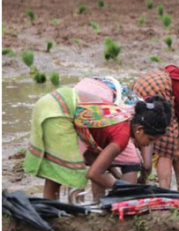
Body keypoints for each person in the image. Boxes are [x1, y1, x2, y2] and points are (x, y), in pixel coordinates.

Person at [23, 86, 171, 201]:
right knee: (65, 171)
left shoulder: (121, 118)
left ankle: (53, 211)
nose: (148, 145)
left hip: (54, 100)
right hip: (59, 110)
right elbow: (93, 173)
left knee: (61, 170)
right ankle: (52, 215)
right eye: (151, 140)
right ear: (139, 129)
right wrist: (122, 187)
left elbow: (94, 157)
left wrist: (115, 179)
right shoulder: (122, 136)